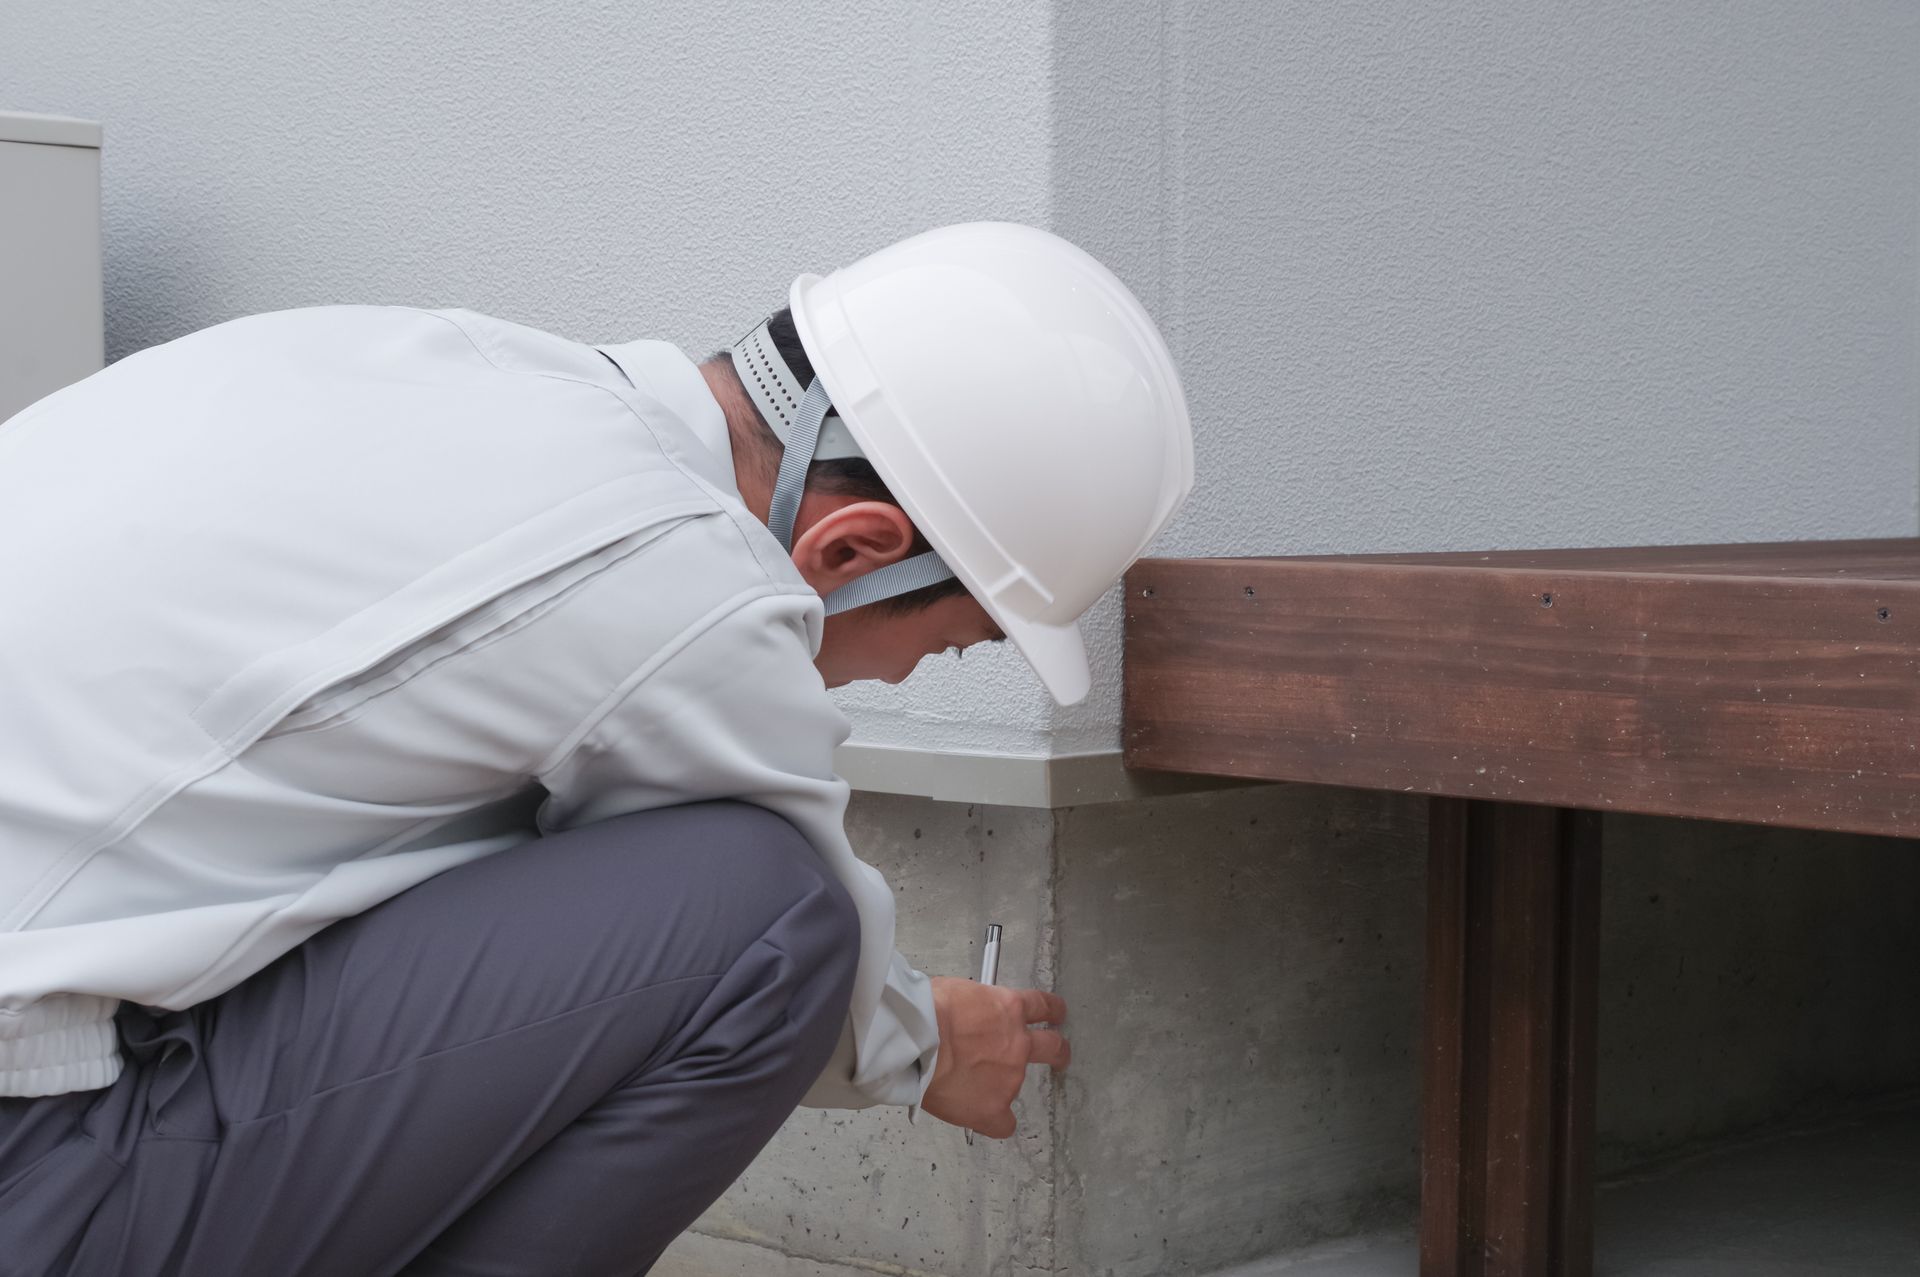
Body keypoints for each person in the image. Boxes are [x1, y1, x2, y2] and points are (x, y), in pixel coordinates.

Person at [0, 221, 1193, 1274]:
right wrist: (931, 1041)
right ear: (854, 548)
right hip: (34, 1158)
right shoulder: (682, 577)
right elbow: (795, 939)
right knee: (772, 921)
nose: (896, 676)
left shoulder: (451, 365)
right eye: (941, 644)